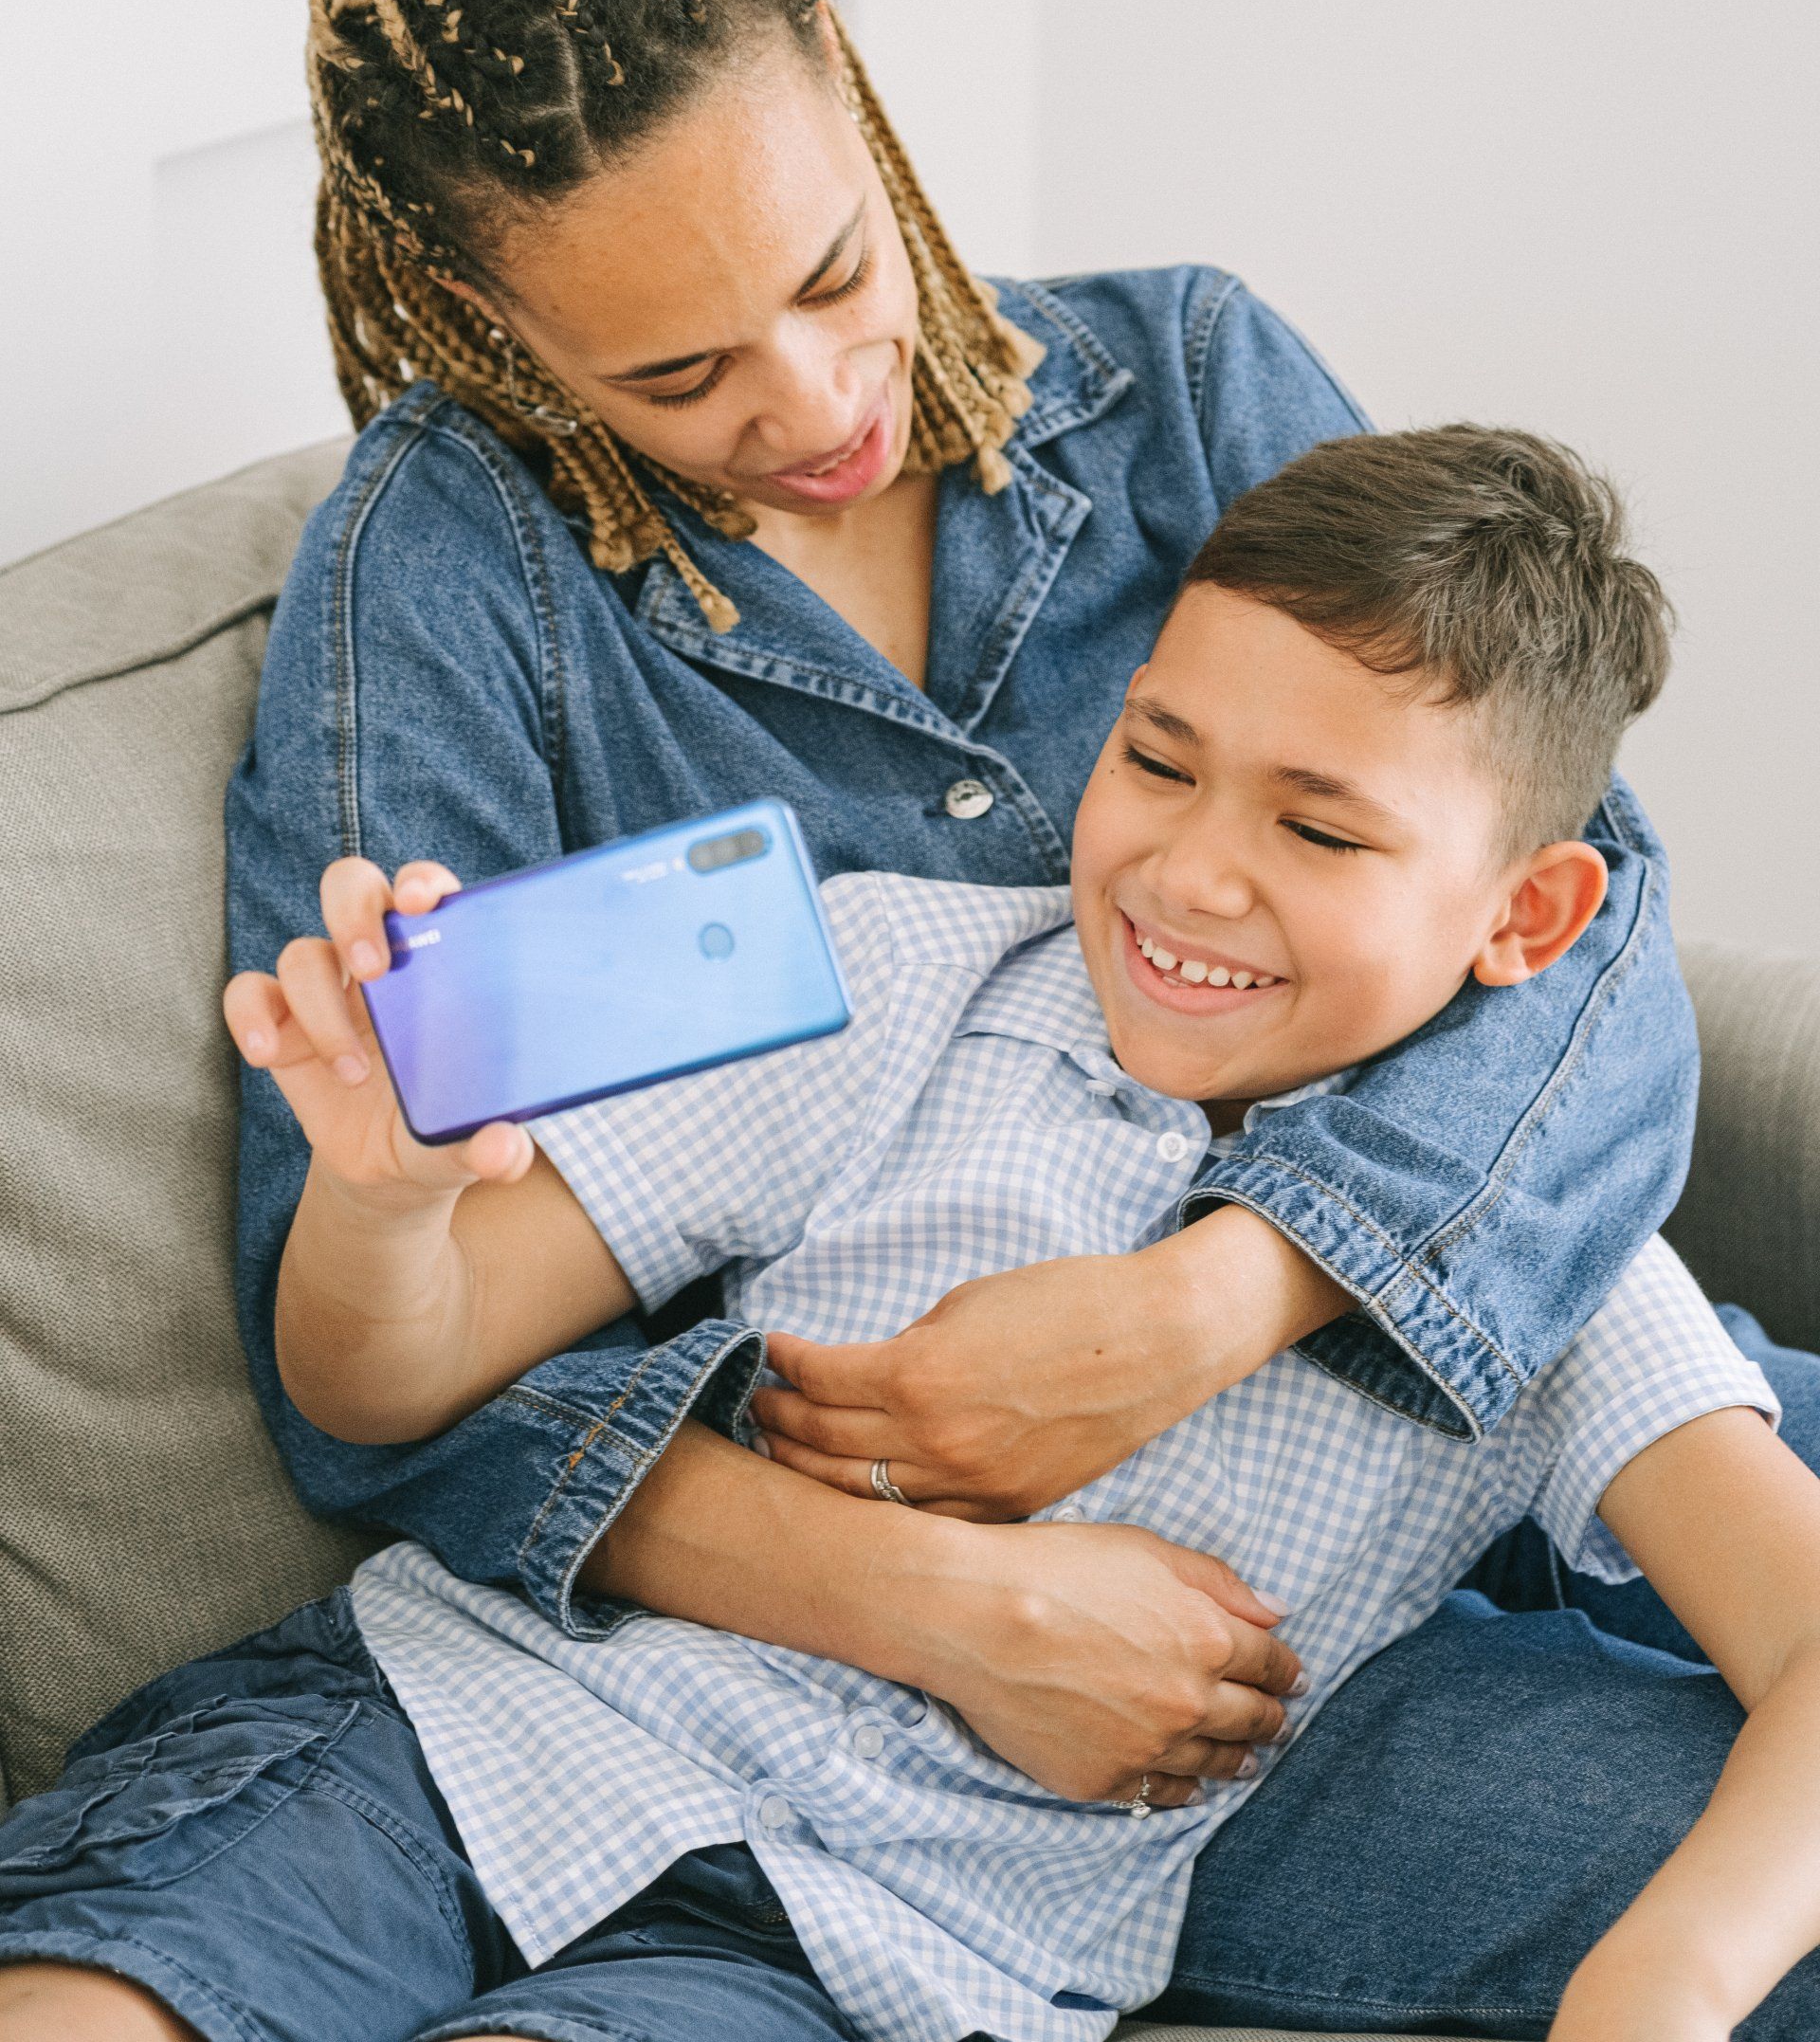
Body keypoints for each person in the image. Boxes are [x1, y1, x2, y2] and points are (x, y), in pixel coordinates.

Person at [4, 426, 1817, 2042]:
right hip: (452, 1735)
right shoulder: (906, 979)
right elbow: (381, 1378)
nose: (1190, 872)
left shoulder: (1535, 1278)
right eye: (1161, 761)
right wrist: (388, 1197)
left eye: (1321, 830)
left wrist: (1664, 1980)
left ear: (1527, 917)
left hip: (862, 1957)